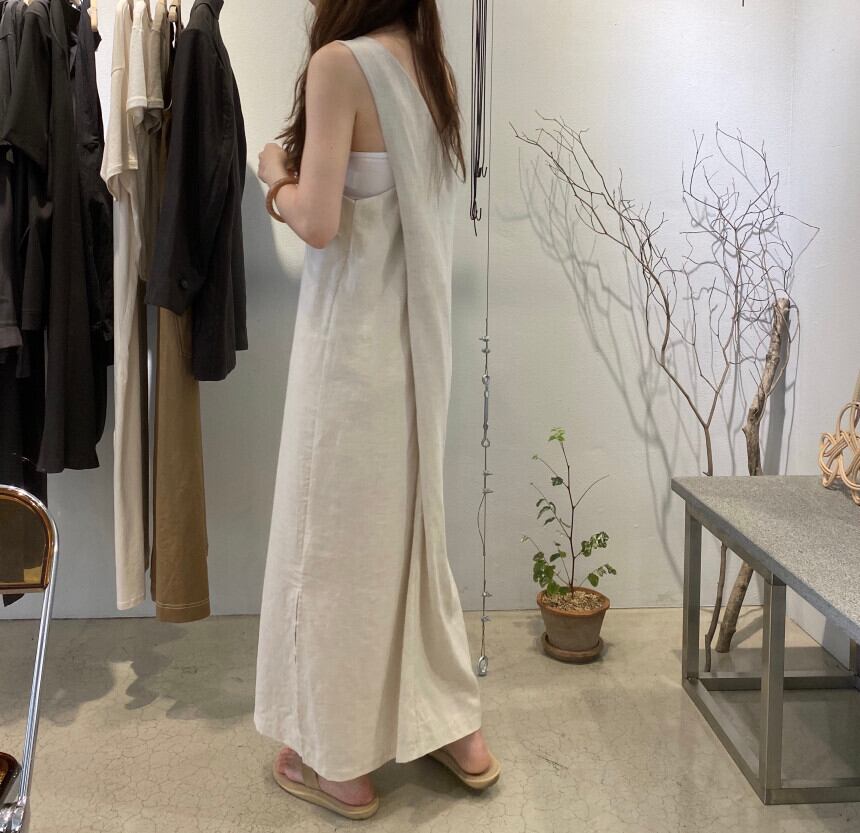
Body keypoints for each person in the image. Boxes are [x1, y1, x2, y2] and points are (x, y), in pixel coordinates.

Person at [253, 0, 501, 821]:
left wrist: (273, 176)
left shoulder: (340, 65)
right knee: (407, 543)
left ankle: (339, 764)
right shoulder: (430, 70)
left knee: (329, 555)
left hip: (349, 360)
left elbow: (319, 222)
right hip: (416, 360)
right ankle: (455, 729)